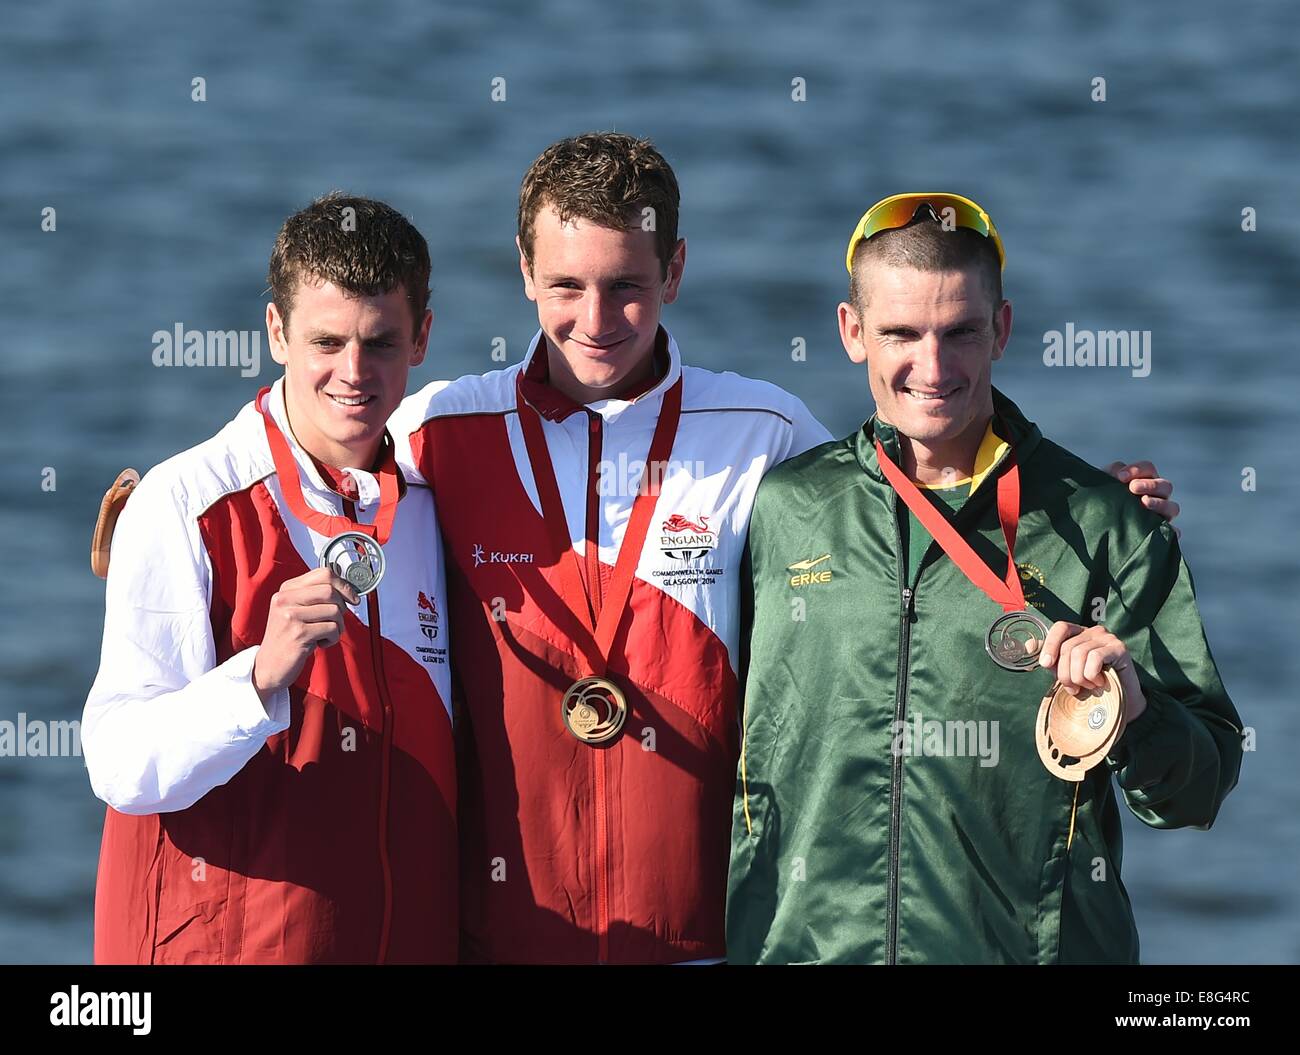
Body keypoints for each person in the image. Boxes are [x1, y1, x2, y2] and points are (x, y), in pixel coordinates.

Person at [393, 140, 1180, 963]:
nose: (595, 320)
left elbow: (915, 494)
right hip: (501, 940)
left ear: (676, 270)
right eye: (566, 285)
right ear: (524, 269)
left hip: (707, 941)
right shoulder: (435, 431)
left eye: (626, 285)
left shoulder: (762, 431)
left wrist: (1093, 513)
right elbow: (306, 465)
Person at [726, 193, 1243, 964]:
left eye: (959, 332)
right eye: (900, 333)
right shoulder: (780, 507)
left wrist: (1135, 715)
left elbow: (1199, 787)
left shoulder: (1103, 526)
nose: (931, 368)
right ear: (851, 332)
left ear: (1000, 329)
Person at [82, 194, 457, 963]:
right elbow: (118, 762)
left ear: (421, 337)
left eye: (380, 342)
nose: (353, 374)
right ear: (277, 333)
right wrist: (255, 679)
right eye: (326, 341)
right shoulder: (184, 503)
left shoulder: (429, 503)